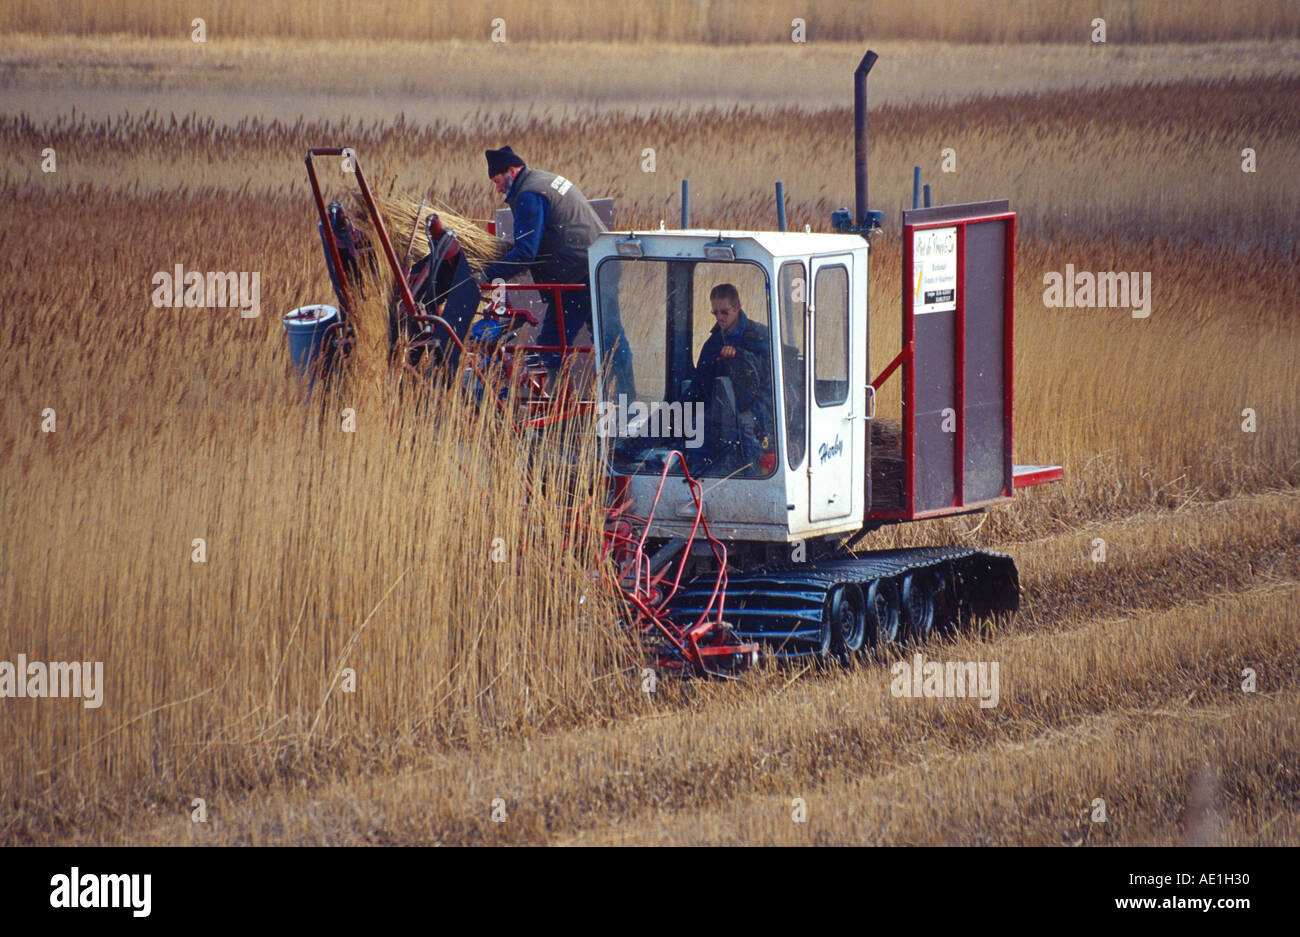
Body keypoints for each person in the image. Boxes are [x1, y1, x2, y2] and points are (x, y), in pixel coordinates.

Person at [477, 146, 634, 396]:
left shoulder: (529, 194)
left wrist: (485, 277)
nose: (497, 189)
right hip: (598, 265)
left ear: (511, 171)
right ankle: (625, 401)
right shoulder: (545, 179)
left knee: (554, 344)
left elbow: (526, 253)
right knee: (610, 338)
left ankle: (562, 411)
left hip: (580, 274)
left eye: (497, 181)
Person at [683, 284, 776, 474]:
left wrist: (739, 357)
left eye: (724, 312)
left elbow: (772, 382)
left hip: (760, 407)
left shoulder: (761, 337)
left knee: (742, 428)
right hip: (723, 408)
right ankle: (698, 479)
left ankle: (753, 479)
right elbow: (700, 383)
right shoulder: (713, 343)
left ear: (738, 307)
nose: (719, 318)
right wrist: (679, 408)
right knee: (696, 425)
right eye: (715, 312)